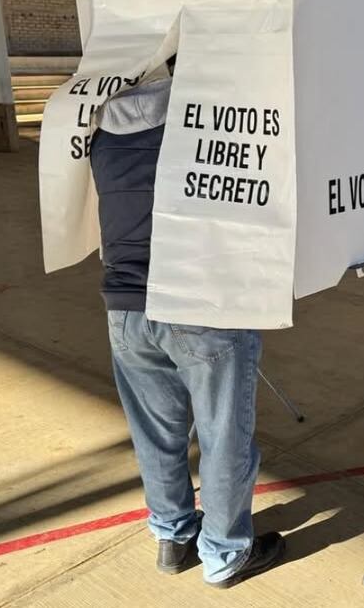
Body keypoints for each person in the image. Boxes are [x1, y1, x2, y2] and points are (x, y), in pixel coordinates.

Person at [89, 74, 285, 589]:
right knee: (223, 435)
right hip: (202, 302)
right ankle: (224, 553)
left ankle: (173, 536)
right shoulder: (205, 118)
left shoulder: (100, 127)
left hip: (126, 305)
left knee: (156, 434)